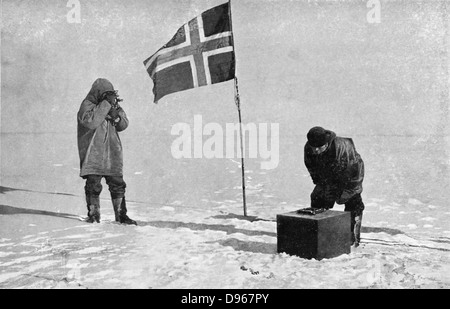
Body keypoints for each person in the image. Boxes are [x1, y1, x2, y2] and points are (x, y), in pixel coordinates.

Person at [77, 78, 137, 225]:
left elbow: (124, 124)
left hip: (112, 152)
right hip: (94, 153)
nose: (109, 97)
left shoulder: (112, 106)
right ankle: (94, 215)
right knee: (93, 184)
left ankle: (121, 215)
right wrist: (106, 105)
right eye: (105, 94)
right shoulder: (87, 105)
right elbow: (91, 122)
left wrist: (116, 116)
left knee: (118, 184)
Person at [304, 126, 365, 246]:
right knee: (318, 197)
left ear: (327, 143)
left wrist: (347, 190)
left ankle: (352, 239)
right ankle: (320, 234)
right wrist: (320, 183)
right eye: (314, 148)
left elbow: (353, 169)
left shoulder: (342, 147)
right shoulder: (309, 148)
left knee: (354, 202)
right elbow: (311, 167)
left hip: (351, 173)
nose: (316, 151)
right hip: (328, 174)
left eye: (320, 147)